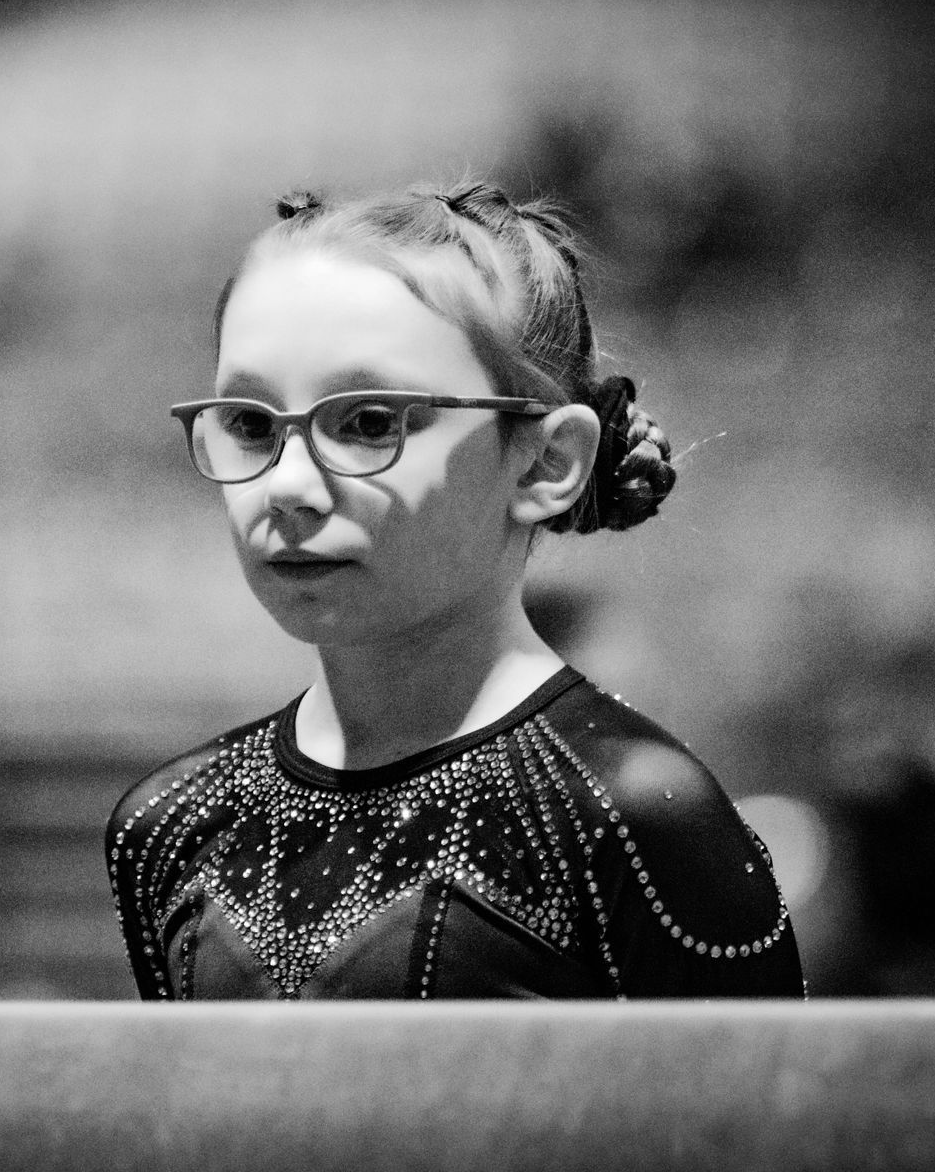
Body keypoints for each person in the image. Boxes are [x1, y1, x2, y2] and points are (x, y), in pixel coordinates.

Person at [106, 179, 804, 999]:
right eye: (251, 425)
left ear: (547, 462)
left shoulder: (634, 816)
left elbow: (767, 1091)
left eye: (370, 422)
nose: (287, 485)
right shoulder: (168, 823)